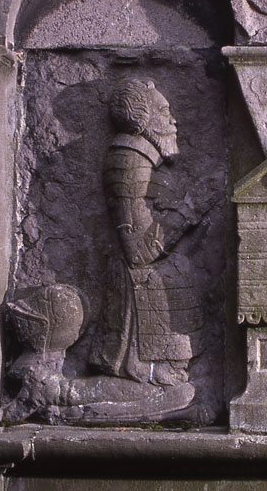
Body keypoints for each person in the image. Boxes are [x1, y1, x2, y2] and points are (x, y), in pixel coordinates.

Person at [90, 78, 191, 386]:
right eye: (163, 112)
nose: (172, 120)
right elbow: (138, 252)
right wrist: (188, 212)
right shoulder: (131, 162)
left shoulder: (140, 159)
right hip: (139, 291)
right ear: (141, 119)